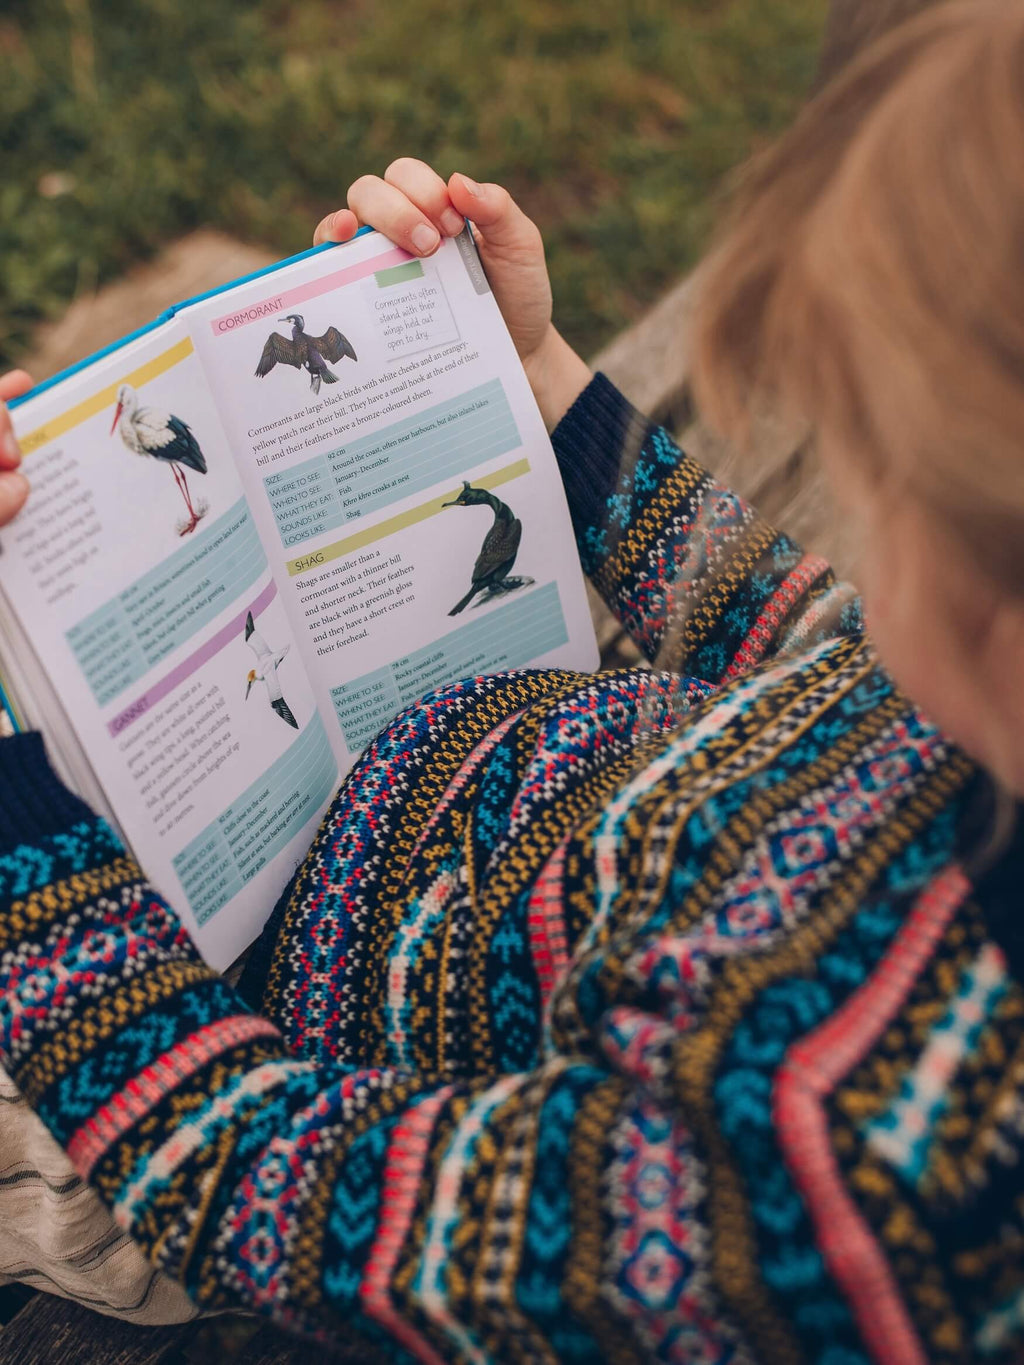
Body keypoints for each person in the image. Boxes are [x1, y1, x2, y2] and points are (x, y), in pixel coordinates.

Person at [1, 1, 1023, 1359]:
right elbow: (809, 641)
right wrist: (535, 373)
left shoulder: (822, 1167)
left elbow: (271, 1182)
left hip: (198, 1042)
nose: (855, 536)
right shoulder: (975, 720)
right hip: (427, 813)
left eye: (874, 468)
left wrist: (18, 797)